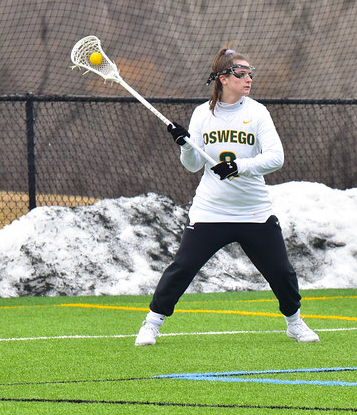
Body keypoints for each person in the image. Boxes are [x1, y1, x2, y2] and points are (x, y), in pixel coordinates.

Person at [135, 46, 319, 345]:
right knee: (182, 268)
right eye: (241, 73)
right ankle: (151, 324)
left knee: (281, 273)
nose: (248, 79)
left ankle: (294, 323)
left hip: (254, 211)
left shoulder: (257, 112)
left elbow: (276, 158)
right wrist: (185, 145)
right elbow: (194, 165)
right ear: (222, 78)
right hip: (211, 211)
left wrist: (239, 167)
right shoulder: (202, 115)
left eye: (250, 74)